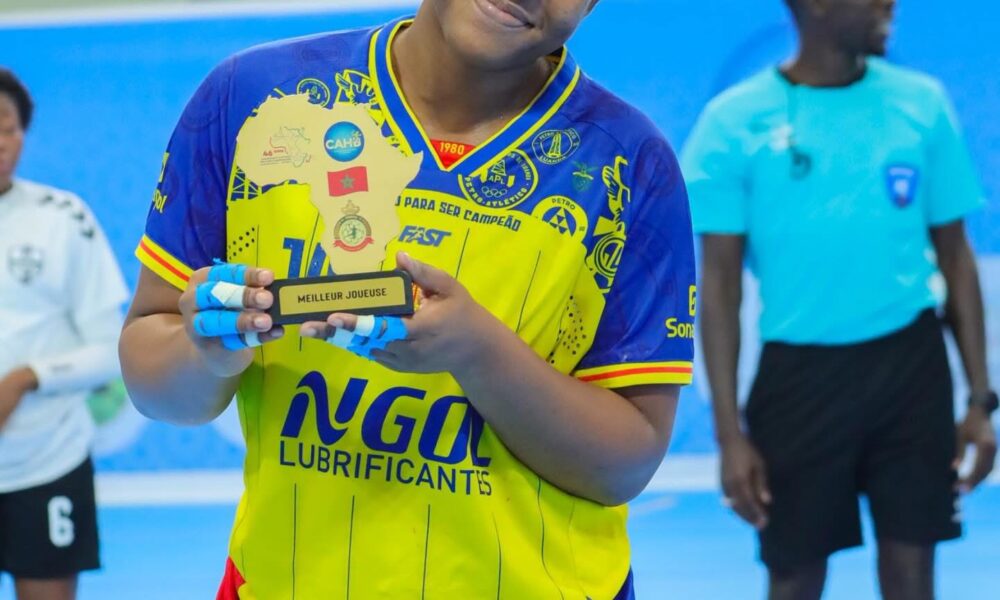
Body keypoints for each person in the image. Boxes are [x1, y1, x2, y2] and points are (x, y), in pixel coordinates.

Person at [119, 1, 697, 598]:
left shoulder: (632, 166)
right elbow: (153, 383)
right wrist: (206, 353)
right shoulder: (254, 99)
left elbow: (625, 465)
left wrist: (479, 353)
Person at [682, 0, 997, 599]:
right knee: (794, 579)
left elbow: (956, 258)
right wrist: (729, 436)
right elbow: (719, 286)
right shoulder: (732, 122)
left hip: (911, 370)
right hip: (799, 381)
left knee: (912, 576)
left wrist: (981, 403)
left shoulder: (922, 103)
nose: (889, 6)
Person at [0, 68, 129, 600]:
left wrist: (27, 378)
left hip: (46, 462)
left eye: (8, 127)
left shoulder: (63, 218)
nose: (0, 142)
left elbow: (111, 350)